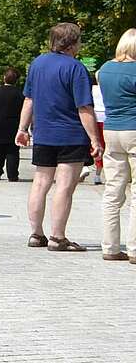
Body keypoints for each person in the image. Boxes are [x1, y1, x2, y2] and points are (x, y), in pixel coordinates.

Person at [18, 23, 104, 252]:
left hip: (44, 134)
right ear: (73, 43)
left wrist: (22, 129)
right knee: (64, 186)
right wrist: (95, 139)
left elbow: (29, 99)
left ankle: (36, 234)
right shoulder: (76, 69)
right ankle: (58, 237)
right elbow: (84, 108)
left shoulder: (37, 64)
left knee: (40, 182)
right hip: (71, 135)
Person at [98, 28, 136, 263]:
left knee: (113, 190)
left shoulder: (104, 70)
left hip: (111, 130)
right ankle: (134, 248)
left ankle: (110, 247)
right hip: (135, 129)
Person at [84, 63, 106, 185]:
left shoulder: (90, 89)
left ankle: (85, 165)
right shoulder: (107, 89)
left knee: (89, 143)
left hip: (92, 117)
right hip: (105, 118)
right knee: (102, 146)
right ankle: (98, 175)